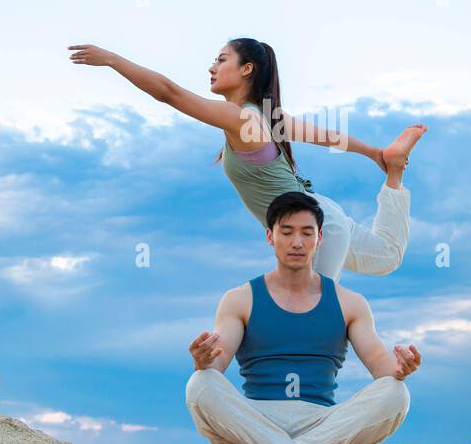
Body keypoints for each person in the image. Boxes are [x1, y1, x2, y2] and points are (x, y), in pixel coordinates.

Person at [67, 37, 426, 283]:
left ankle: (308, 391)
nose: (211, 67)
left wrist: (113, 60)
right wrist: (379, 156)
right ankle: (395, 177)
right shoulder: (268, 117)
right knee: (386, 257)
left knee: (312, 314)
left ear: (247, 70)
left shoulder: (242, 119)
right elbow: (328, 136)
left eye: (221, 60)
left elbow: (170, 93)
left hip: (312, 226)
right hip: (323, 216)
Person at [183, 191, 422, 444]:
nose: (297, 242)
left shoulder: (350, 303)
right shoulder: (240, 298)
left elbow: (381, 365)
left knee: (396, 392)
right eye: (287, 232)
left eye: (307, 233)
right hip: (256, 422)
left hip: (321, 426)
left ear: (320, 238)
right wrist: (204, 360)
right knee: (200, 384)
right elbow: (218, 360)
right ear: (270, 236)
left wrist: (402, 368)